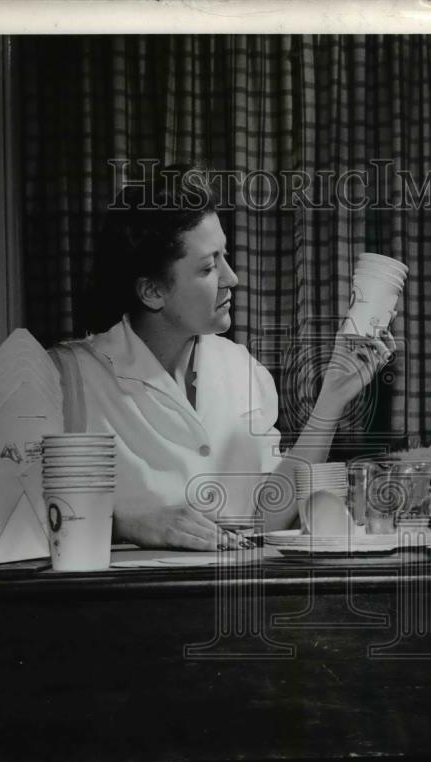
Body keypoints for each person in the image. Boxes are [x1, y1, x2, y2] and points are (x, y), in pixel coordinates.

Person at [51, 164, 392, 551]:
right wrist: (125, 524)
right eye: (210, 266)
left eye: (225, 257)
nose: (232, 278)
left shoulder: (243, 370)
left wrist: (332, 397)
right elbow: (24, 511)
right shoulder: (69, 378)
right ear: (151, 291)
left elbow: (266, 515)